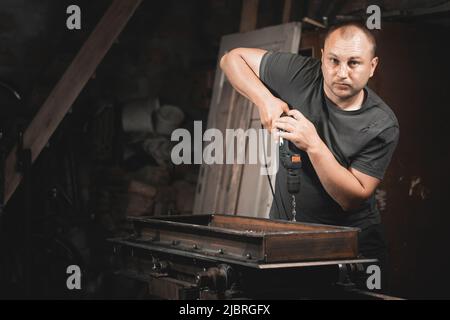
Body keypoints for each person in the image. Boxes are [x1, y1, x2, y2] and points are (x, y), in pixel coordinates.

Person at [220, 22, 399, 291]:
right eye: (333, 61)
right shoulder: (301, 73)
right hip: (285, 236)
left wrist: (313, 144)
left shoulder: (381, 124)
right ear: (322, 57)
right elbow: (231, 59)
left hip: (348, 245)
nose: (341, 73)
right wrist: (264, 99)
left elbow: (351, 198)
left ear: (372, 66)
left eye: (354, 63)